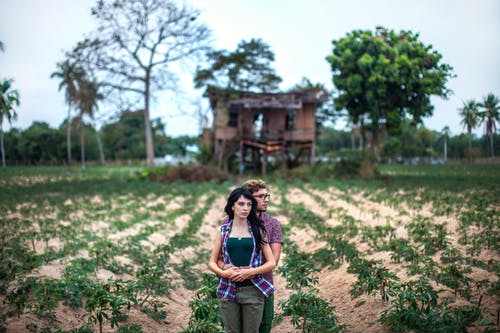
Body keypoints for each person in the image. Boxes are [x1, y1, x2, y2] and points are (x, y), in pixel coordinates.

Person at [208, 187, 276, 333]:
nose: (245, 208)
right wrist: (223, 273)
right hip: (227, 289)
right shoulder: (223, 230)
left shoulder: (259, 231)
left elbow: (271, 262)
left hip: (253, 289)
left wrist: (251, 272)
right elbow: (212, 262)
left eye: (249, 205)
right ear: (232, 206)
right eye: (241, 204)